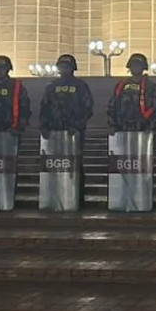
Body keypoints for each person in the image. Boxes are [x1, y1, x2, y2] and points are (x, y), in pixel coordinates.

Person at [39, 54, 94, 202]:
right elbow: (44, 107)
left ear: (72, 68)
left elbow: (87, 108)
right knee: (54, 164)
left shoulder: (80, 86)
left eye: (67, 66)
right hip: (53, 132)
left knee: (74, 164)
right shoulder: (51, 86)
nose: (64, 68)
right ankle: (54, 196)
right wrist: (43, 126)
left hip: (73, 132)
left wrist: (77, 126)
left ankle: (77, 197)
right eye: (62, 66)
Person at [107, 53, 156, 133]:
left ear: (143, 67)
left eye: (138, 65)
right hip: (123, 127)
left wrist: (152, 125)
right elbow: (112, 106)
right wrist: (113, 125)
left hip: (144, 127)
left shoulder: (151, 87)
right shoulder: (121, 86)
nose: (135, 67)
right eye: (133, 65)